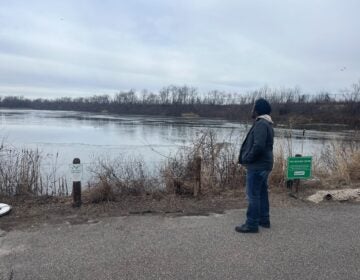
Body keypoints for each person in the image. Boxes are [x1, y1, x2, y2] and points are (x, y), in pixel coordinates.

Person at [236, 98, 274, 233]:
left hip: (258, 166)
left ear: (257, 110)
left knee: (253, 195)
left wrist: (247, 158)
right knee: (262, 193)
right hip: (264, 165)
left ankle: (251, 224)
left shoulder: (261, 124)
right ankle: (264, 220)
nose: (251, 110)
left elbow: (258, 146)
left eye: (253, 107)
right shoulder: (267, 123)